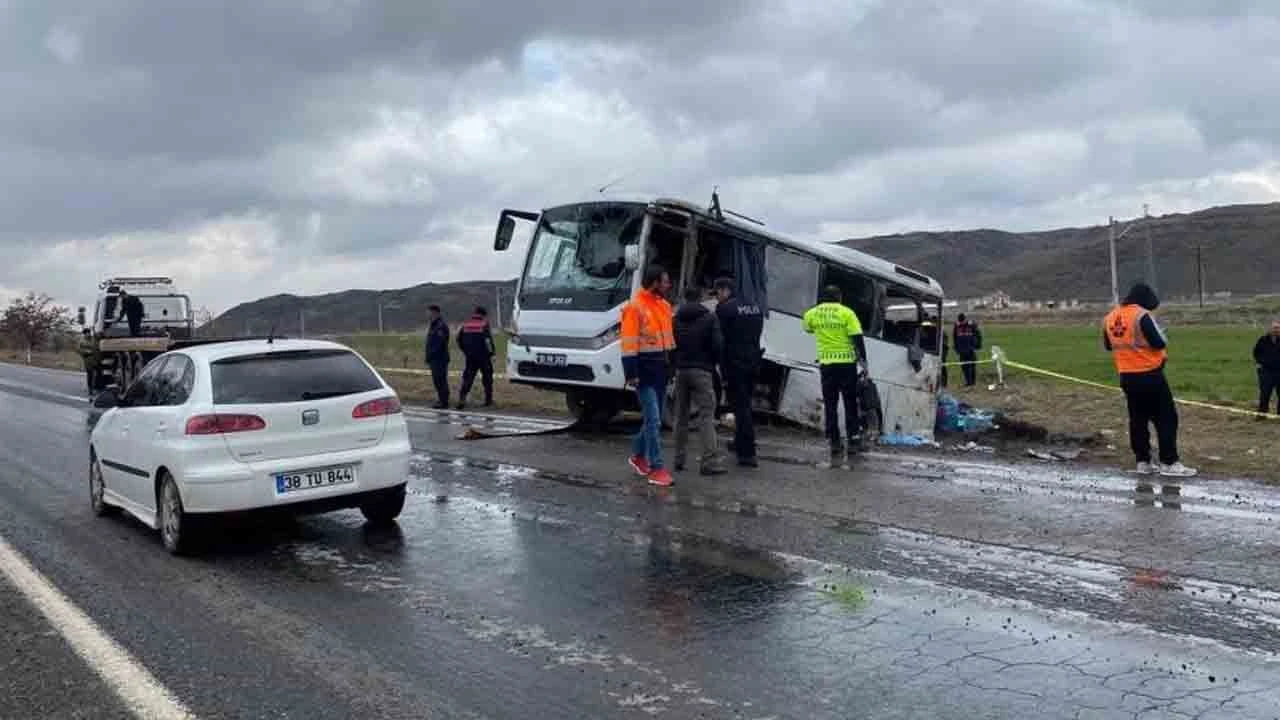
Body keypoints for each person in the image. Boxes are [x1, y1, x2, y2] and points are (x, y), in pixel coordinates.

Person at [1103, 282, 1196, 480]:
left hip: (1126, 376)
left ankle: (1143, 461)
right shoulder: (1141, 315)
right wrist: (1160, 333)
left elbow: (1108, 345)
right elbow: (1158, 343)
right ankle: (1169, 462)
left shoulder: (1110, 317)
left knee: (1138, 419)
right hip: (1150, 374)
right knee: (1166, 418)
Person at [622, 265, 676, 486]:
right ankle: (656, 467)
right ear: (655, 282)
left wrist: (671, 368)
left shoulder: (664, 306)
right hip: (643, 374)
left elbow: (668, 341)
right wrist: (631, 373)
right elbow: (628, 344)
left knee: (652, 419)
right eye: (665, 281)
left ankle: (638, 456)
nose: (668, 285)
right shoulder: (634, 308)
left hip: (660, 372)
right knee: (654, 420)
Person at [803, 285, 868, 466]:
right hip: (847, 365)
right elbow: (858, 339)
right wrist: (864, 363)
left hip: (827, 365)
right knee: (850, 403)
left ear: (823, 298)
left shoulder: (812, 313)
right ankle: (853, 440)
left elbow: (807, 328)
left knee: (830, 404)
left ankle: (834, 442)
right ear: (839, 298)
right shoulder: (847, 313)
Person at [672, 285, 726, 476]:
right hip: (702, 371)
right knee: (706, 415)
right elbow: (718, 345)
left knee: (681, 415)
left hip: (681, 371)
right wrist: (713, 364)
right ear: (701, 297)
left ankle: (679, 459)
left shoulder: (676, 319)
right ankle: (708, 462)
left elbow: (672, 344)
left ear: (684, 298)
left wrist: (676, 364)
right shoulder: (710, 318)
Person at [714, 277, 764, 466]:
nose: (717, 297)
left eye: (718, 292)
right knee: (745, 405)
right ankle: (739, 441)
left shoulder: (725, 309)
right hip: (753, 362)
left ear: (725, 290)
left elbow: (721, 341)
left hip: (735, 364)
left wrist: (722, 368)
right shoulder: (756, 307)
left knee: (740, 408)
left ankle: (747, 453)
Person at [456, 306, 495, 410]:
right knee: (487, 379)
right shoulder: (484, 324)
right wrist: (491, 353)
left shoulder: (466, 324)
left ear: (475, 313)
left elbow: (458, 339)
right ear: (483, 315)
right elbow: (488, 341)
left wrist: (465, 351)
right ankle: (488, 401)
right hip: (483, 357)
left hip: (470, 357)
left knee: (468, 378)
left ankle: (462, 399)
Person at [424, 305, 451, 409]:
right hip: (434, 358)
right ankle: (441, 399)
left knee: (441, 380)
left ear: (435, 313)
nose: (427, 315)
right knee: (437, 380)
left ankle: (444, 401)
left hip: (440, 358)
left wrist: (431, 354)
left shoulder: (440, 326)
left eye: (429, 312)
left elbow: (440, 343)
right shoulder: (433, 325)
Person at [1254, 319, 1280, 418]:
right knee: (1265, 393)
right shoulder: (1263, 340)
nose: (1276, 330)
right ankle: (1262, 414)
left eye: (1278, 328)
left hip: (1279, 371)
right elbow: (1256, 352)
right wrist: (1259, 363)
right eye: (1274, 328)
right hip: (1266, 371)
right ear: (1270, 329)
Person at [953, 312, 982, 386]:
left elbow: (978, 335)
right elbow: (955, 338)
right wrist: (956, 348)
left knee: (972, 366)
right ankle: (968, 382)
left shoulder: (971, 325)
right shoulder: (957, 326)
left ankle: (972, 382)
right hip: (962, 350)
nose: (961, 323)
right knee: (964, 367)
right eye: (960, 321)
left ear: (965, 319)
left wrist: (978, 345)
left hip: (970, 349)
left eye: (962, 321)